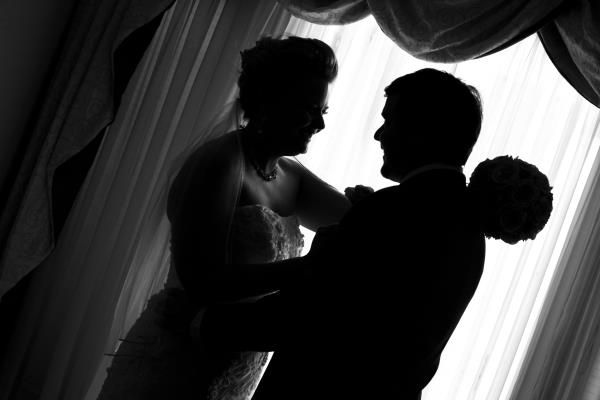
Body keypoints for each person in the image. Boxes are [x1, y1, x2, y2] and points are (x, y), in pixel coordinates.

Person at [194, 69, 554, 400]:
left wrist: (202, 323)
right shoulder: (468, 227)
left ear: (420, 132)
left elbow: (305, 315)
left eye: (389, 121)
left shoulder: (392, 210)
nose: (379, 135)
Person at [98, 36, 351, 400]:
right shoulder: (219, 164)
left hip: (238, 360)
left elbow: (361, 226)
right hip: (176, 358)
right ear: (268, 102)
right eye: (308, 110)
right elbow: (203, 281)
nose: (319, 125)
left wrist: (371, 202)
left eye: (323, 111)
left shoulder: (291, 175)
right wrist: (306, 268)